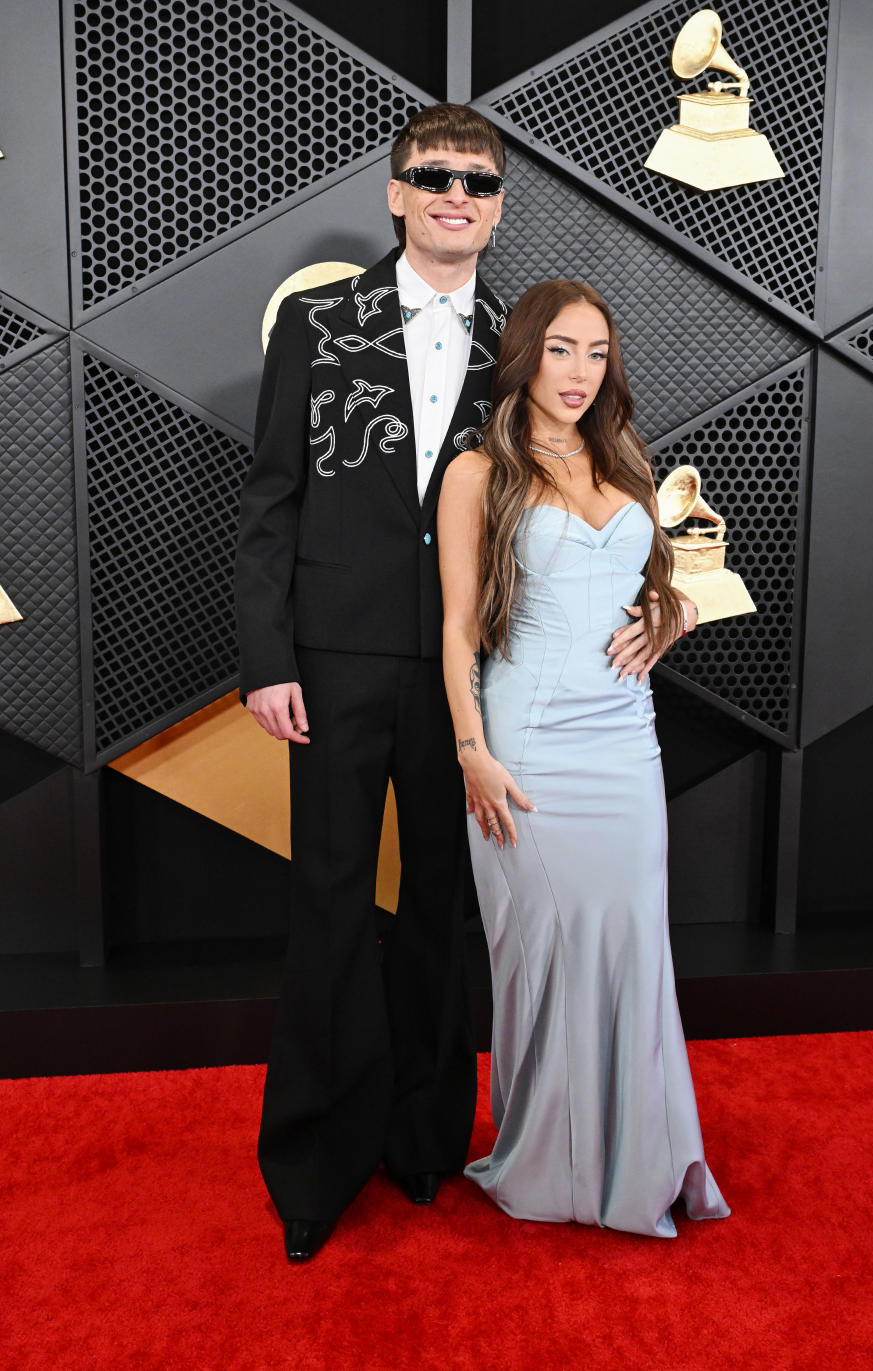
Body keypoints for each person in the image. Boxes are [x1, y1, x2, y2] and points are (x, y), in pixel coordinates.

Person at [234, 103, 510, 1262]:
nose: (457, 194)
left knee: (445, 916)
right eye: (434, 175)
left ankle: (424, 1147)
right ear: (395, 193)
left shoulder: (524, 336)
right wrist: (267, 661)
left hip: (467, 677)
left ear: (496, 207)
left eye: (479, 182)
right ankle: (313, 1169)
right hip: (334, 666)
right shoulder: (315, 320)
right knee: (333, 913)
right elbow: (271, 499)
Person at [437, 280, 731, 1236]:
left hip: (625, 745)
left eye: (597, 352)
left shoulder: (626, 459)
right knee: (547, 948)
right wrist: (471, 751)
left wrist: (668, 614)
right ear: (524, 354)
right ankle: (552, 1164)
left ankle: (635, 1152)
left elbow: (656, 588)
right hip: (527, 743)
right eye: (561, 350)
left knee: (634, 940)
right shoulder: (480, 473)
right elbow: (455, 631)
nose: (579, 372)